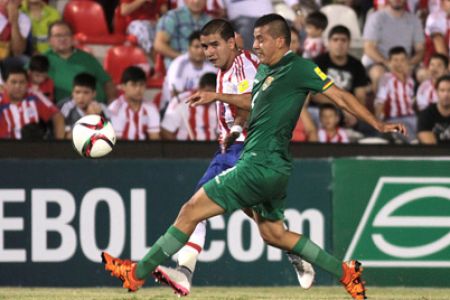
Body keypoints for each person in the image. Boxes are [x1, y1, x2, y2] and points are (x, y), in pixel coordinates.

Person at [101, 14, 406, 300]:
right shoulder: (264, 71)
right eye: (255, 39)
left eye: (261, 39)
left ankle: (137, 273)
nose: (255, 44)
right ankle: (345, 273)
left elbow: (340, 96)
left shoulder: (297, 67)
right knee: (274, 233)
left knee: (191, 210)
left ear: (281, 42)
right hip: (273, 166)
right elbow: (253, 106)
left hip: (258, 163)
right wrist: (233, 123)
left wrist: (377, 124)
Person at [155, 18, 315, 295]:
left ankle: (184, 271)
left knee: (197, 208)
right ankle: (295, 253)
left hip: (248, 150)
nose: (208, 52)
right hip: (230, 148)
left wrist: (217, 98)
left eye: (214, 45)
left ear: (232, 43)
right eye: (205, 46)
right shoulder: (228, 67)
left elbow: (254, 102)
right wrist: (234, 125)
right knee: (246, 214)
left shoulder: (245, 66)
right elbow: (243, 108)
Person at [45, 21, 116, 103]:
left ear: (72, 38)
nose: (62, 39)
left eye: (66, 35)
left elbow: (107, 82)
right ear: (49, 40)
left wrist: (112, 103)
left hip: (99, 106)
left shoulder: (86, 57)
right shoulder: (42, 60)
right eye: (58, 35)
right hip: (66, 110)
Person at [362, 0, 424, 92]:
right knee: (378, 74)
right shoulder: (376, 18)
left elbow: (420, 50)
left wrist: (409, 63)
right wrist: (388, 63)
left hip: (406, 63)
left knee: (425, 74)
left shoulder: (414, 20)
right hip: (379, 63)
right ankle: (378, 104)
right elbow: (368, 48)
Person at [0, 66, 64, 139]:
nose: (18, 86)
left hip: (32, 147)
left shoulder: (35, 96)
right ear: (5, 84)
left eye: (22, 82)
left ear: (27, 84)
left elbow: (57, 115)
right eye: (13, 82)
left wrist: (58, 143)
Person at [160, 30, 216, 111]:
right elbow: (175, 94)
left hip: (203, 108)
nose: (200, 51)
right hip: (174, 107)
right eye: (196, 47)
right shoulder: (179, 65)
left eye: (203, 47)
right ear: (189, 48)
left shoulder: (212, 66)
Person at [374, 46, 416, 141]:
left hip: (412, 118)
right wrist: (378, 123)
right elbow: (380, 102)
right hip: (393, 119)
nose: (399, 63)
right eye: (395, 60)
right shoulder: (386, 79)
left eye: (402, 60)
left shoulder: (410, 81)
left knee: (425, 130)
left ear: (407, 62)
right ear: (389, 62)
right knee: (412, 137)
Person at [108, 66, 160, 140]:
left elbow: (154, 138)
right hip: (121, 150)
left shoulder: (151, 108)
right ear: (123, 86)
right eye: (133, 85)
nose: (138, 89)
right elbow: (117, 141)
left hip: (146, 150)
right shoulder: (115, 109)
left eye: (141, 84)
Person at [161, 72, 217, 141]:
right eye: (208, 92)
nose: (210, 97)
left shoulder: (219, 102)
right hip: (186, 149)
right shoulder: (181, 101)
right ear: (199, 88)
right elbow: (166, 131)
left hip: (213, 149)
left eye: (214, 94)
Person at [154, 0, 211, 68]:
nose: (196, 1)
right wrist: (184, 58)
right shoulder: (172, 16)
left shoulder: (210, 21)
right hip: (177, 69)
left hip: (205, 69)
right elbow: (158, 44)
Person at [58, 72, 110, 139]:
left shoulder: (102, 109)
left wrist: (98, 118)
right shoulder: (65, 107)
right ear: (72, 92)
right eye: (77, 92)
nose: (81, 97)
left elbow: (110, 136)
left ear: (94, 94)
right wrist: (88, 119)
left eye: (86, 92)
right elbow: (64, 137)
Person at [417, 74, 450, 144]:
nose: (446, 94)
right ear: (437, 92)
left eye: (449, 90)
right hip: (434, 154)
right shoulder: (426, 114)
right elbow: (430, 145)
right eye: (442, 90)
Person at [0, 0, 31, 65]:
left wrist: (14, 23)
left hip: (9, 58)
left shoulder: (24, 18)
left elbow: (18, 51)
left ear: (20, 2)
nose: (10, 1)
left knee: (25, 61)